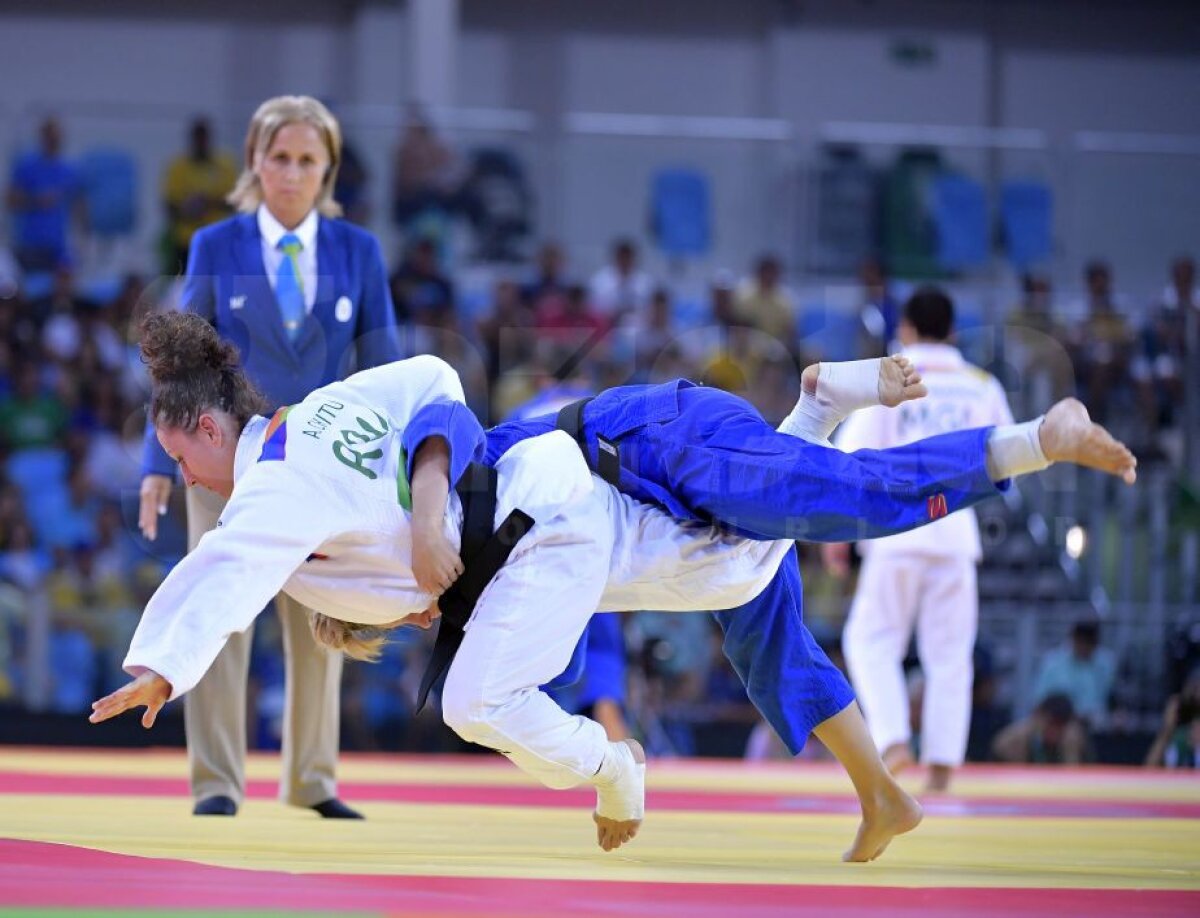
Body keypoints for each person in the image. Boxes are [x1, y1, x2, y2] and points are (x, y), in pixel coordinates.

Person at [97, 312, 1136, 860]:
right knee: (748, 583)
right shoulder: (322, 426)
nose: (182, 476)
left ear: (205, 425)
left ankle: (1028, 441)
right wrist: (413, 522)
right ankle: (822, 409)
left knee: (826, 510)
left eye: (179, 456)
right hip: (582, 504)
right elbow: (427, 385)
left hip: (605, 462)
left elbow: (220, 570)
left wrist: (159, 663)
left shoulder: (266, 501)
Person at [138, 96, 401, 820]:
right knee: (220, 611)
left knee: (323, 616)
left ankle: (313, 780)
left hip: (323, 470)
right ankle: (216, 782)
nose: (291, 173)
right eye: (278, 157)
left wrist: (397, 459)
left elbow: (383, 362)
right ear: (253, 160)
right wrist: (158, 464)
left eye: (307, 160)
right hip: (224, 462)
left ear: (328, 170)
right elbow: (180, 362)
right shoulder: (217, 245)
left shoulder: (358, 251)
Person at [821, 287, 1014, 792]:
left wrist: (838, 532)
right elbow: (1010, 453)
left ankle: (894, 742)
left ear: (905, 328)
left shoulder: (894, 377)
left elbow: (851, 457)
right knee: (950, 654)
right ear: (952, 330)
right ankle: (944, 764)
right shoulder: (980, 384)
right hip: (956, 533)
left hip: (897, 529)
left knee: (869, 640)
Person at [161, 117, 238, 273]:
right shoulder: (178, 168)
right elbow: (169, 206)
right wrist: (188, 209)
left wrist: (208, 203)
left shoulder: (225, 166)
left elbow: (235, 201)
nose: (201, 143)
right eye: (198, 139)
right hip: (186, 242)